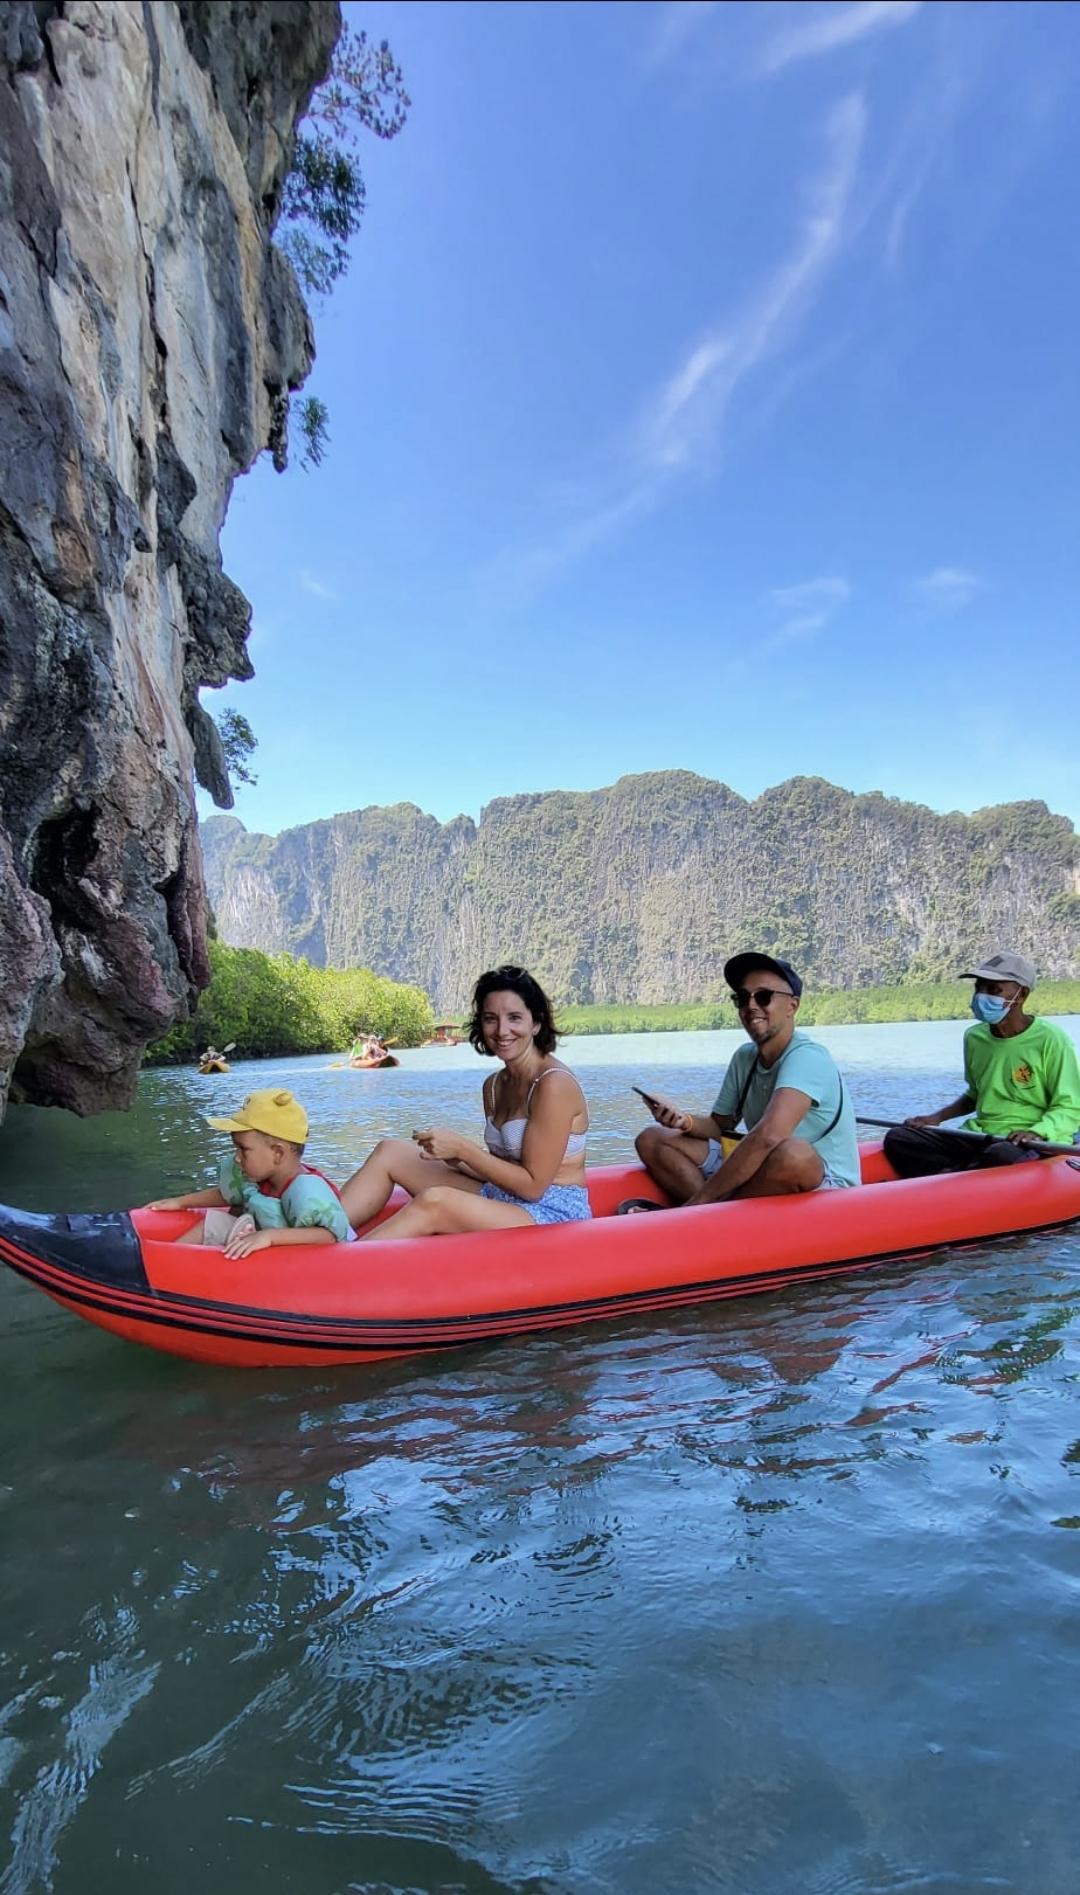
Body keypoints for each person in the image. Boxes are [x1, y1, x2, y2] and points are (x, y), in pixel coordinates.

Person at [340, 964, 591, 1241]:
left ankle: (339, 1271)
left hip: (551, 1214)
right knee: (390, 1152)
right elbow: (502, 1167)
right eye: (490, 1019)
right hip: (503, 1197)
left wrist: (464, 1148)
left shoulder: (554, 1085)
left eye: (515, 1018)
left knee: (435, 1202)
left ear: (536, 1023)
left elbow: (533, 1187)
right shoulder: (494, 1086)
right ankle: (323, 1233)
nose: (502, 1030)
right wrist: (456, 1159)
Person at [627, 952, 859, 1210]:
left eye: (763, 997)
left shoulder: (808, 1057)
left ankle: (701, 1213)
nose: (751, 1006)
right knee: (652, 1140)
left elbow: (768, 1136)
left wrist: (699, 1202)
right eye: (742, 998)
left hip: (823, 1181)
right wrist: (684, 1120)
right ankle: (713, 1214)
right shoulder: (745, 1057)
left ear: (792, 1006)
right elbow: (719, 1126)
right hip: (763, 1169)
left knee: (794, 1154)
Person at [883, 952, 1080, 1177]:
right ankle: (956, 1177)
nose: (981, 996)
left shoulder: (1050, 1039)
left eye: (994, 990)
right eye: (979, 988)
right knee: (899, 1137)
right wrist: (936, 1118)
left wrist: (1037, 1132)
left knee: (1001, 1156)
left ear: (1021, 994)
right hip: (981, 1133)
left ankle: (953, 1177)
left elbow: (1069, 1105)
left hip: (1030, 1139)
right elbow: (976, 1094)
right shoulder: (974, 1038)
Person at [148, 1088, 355, 1256]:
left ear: (277, 1153)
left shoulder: (306, 1191)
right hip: (264, 1239)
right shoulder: (260, 1177)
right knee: (211, 1223)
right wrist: (180, 1202)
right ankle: (165, 1262)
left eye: (243, 1149)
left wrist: (269, 1237)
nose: (237, 1157)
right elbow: (227, 1195)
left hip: (309, 1261)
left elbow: (328, 1236)